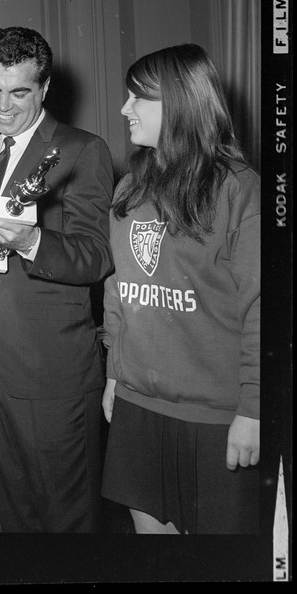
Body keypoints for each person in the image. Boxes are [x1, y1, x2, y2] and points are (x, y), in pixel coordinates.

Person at [101, 44, 260, 534]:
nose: (125, 108)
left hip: (215, 414)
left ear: (181, 104)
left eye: (138, 98)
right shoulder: (129, 188)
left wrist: (254, 410)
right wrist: (113, 375)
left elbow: (263, 307)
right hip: (138, 403)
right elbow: (119, 290)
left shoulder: (239, 188)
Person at [0, 25, 114, 532]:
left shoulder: (82, 149)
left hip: (52, 369)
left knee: (68, 522)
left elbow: (95, 257)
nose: (2, 107)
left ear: (45, 89)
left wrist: (28, 242)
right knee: (15, 514)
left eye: (19, 92)